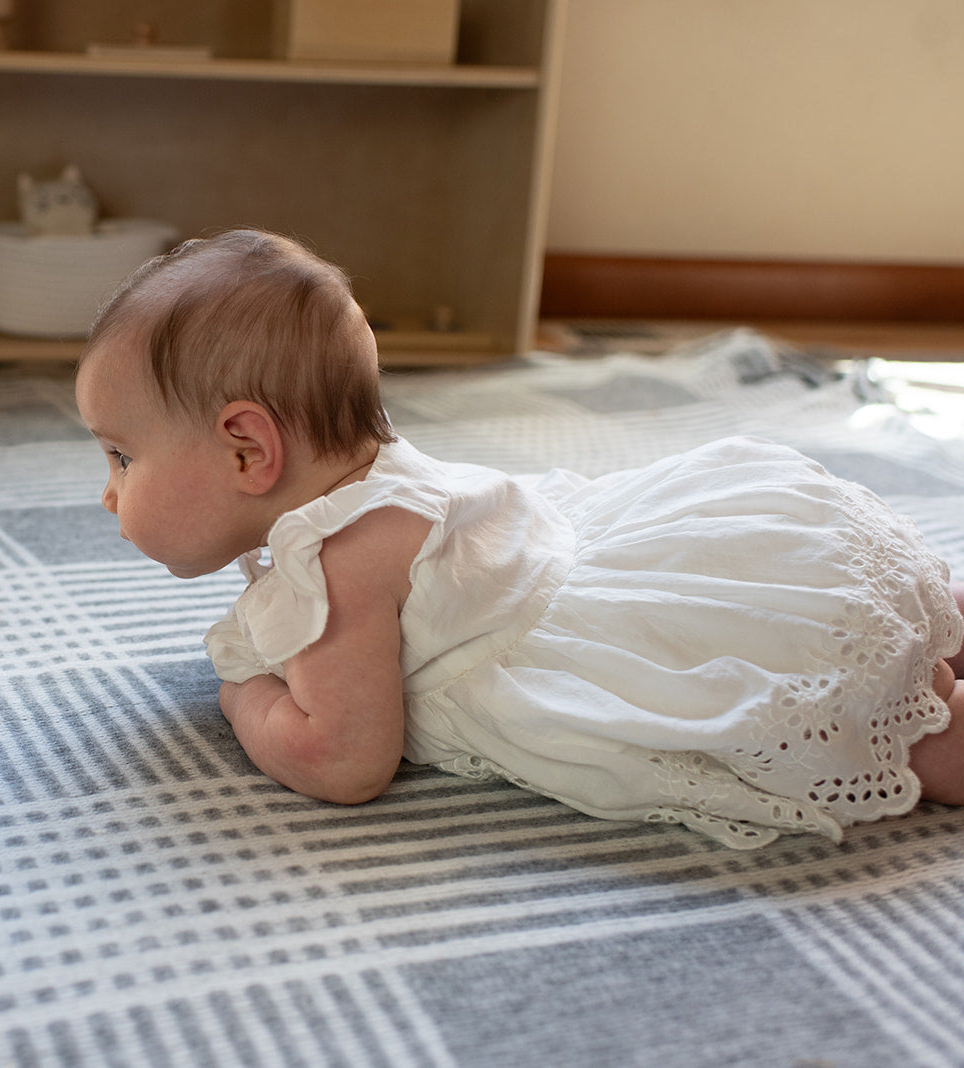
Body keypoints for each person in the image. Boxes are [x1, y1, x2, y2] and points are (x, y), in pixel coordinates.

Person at [74, 228, 964, 848]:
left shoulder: (341, 567)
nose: (108, 492)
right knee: (908, 643)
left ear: (248, 450)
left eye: (121, 455)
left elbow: (344, 761)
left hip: (646, 649)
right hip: (685, 562)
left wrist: (246, 696)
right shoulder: (377, 475)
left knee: (877, 733)